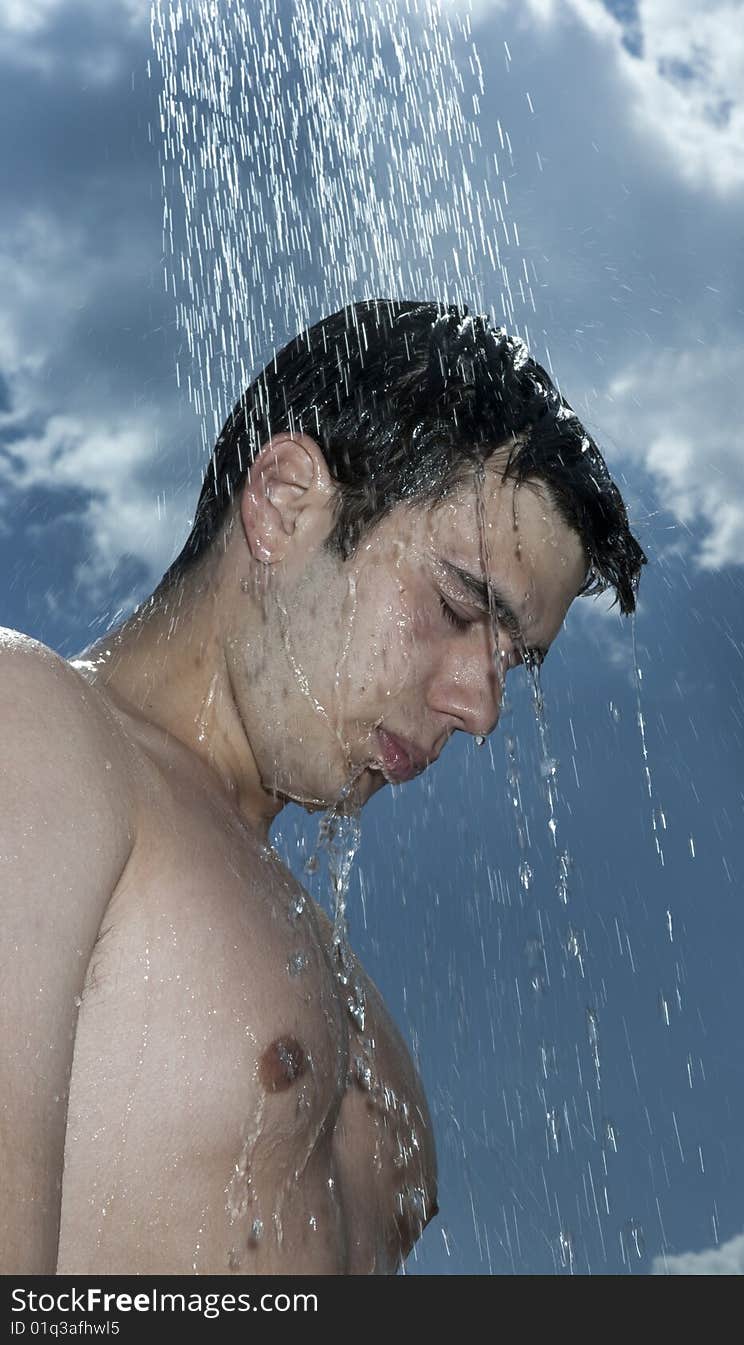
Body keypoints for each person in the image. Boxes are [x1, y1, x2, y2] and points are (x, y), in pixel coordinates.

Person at [0, 299, 645, 1275]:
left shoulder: (312, 947)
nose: (482, 706)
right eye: (456, 605)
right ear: (285, 502)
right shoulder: (34, 729)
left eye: (513, 659)